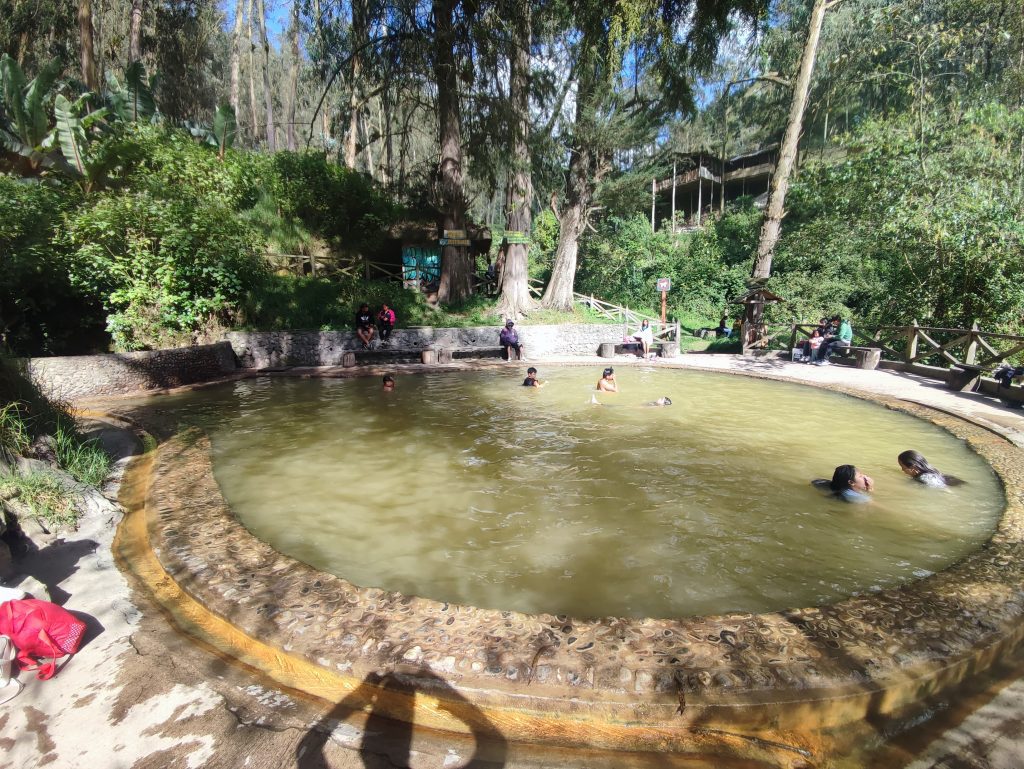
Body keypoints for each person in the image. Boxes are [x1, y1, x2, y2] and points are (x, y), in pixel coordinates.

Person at [897, 450, 964, 487]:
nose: (902, 470)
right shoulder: (928, 470)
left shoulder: (925, 478)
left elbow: (944, 489)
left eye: (903, 467)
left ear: (913, 467)